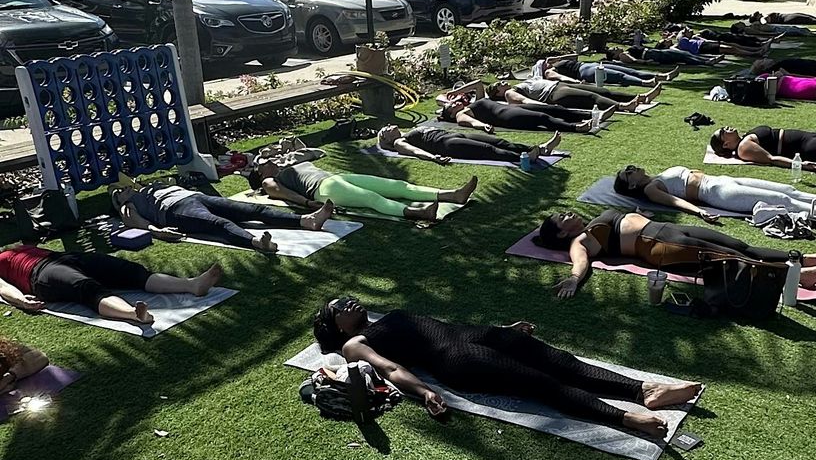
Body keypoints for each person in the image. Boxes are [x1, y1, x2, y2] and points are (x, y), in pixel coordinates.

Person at [312, 297, 700, 439]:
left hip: (479, 336)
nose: (348, 304)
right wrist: (427, 391)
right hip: (459, 360)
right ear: (336, 328)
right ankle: (624, 418)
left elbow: (446, 325)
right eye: (339, 309)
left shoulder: (380, 319)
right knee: (541, 382)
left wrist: (502, 331)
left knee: (562, 361)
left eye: (347, 299)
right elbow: (391, 368)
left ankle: (643, 391)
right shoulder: (353, 344)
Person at [533, 208, 816, 300]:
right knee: (731, 259)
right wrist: (574, 279)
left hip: (666, 228)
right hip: (659, 246)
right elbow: (581, 261)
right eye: (562, 218)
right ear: (562, 233)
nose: (567, 213)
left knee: (739, 245)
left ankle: (802, 259)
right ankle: (802, 278)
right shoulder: (580, 241)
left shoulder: (590, 223)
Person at [0, 242, 222, 328]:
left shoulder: (15, 247)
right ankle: (134, 314)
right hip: (40, 275)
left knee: (129, 271)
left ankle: (192, 284)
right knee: (87, 288)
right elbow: (2, 287)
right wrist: (20, 299)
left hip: (62, 257)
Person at [612, 165, 816, 231]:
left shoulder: (656, 176)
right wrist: (699, 212)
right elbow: (674, 202)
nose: (633, 168)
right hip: (716, 193)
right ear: (631, 182)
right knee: (782, 201)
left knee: (787, 190)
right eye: (629, 171)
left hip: (723, 180)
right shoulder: (649, 189)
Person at [114, 178, 330, 256]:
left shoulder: (148, 188)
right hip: (174, 211)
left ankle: (306, 220)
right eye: (119, 192)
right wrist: (157, 231)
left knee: (251, 210)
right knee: (219, 224)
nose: (124, 189)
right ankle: (256, 242)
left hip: (195, 196)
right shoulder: (128, 205)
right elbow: (135, 222)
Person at [248, 156, 476, 225]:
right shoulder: (269, 180)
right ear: (259, 174)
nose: (269, 159)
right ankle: (417, 213)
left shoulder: (287, 166)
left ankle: (452, 195)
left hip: (336, 178)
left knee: (396, 186)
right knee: (371, 198)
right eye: (264, 162)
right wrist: (308, 204)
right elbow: (283, 194)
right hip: (323, 189)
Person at [377, 122, 561, 167]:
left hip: (455, 135)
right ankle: (524, 159)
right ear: (387, 140)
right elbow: (415, 151)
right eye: (384, 131)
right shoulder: (399, 142)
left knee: (499, 141)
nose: (387, 127)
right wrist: (434, 158)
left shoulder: (409, 130)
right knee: (489, 150)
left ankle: (541, 149)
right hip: (447, 145)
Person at [438, 87, 604, 135]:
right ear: (451, 114)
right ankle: (576, 127)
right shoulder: (460, 114)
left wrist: (456, 91)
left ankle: (591, 114)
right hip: (506, 116)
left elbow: (478, 85)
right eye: (450, 106)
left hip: (512, 108)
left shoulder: (469, 104)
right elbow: (467, 121)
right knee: (542, 117)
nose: (453, 103)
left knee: (553, 109)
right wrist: (482, 126)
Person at [500, 75, 659, 114]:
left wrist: (574, 81)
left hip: (560, 85)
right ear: (497, 93)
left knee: (603, 91)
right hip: (554, 94)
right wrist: (547, 107)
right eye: (497, 86)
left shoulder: (521, 81)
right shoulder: (509, 93)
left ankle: (642, 98)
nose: (501, 83)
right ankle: (623, 106)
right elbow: (524, 101)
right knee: (592, 98)